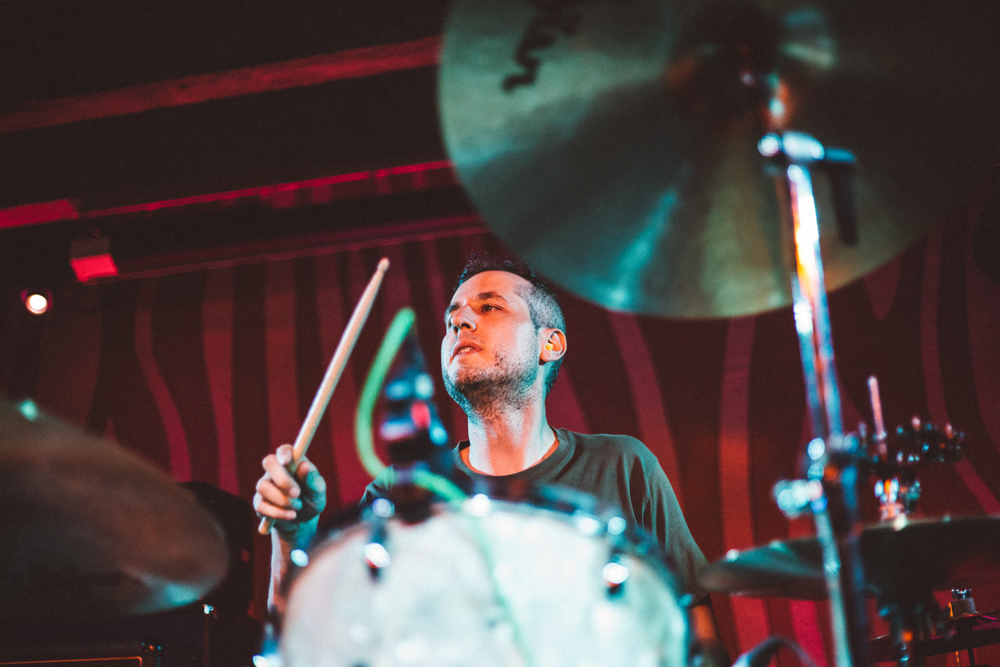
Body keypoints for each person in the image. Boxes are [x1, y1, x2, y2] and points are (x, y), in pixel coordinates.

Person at [254, 256, 727, 664]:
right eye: (452, 318)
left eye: (490, 307)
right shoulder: (400, 492)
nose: (461, 322)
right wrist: (290, 533)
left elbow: (697, 629)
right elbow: (311, 652)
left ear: (550, 343)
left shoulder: (622, 466)